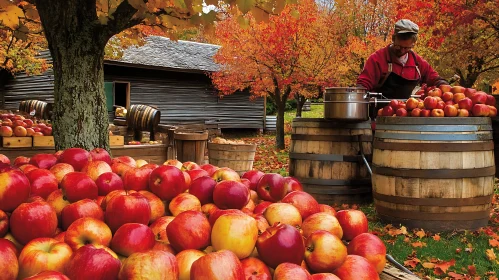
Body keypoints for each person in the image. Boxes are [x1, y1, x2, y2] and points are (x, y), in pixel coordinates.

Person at [356, 19, 449, 100]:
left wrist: (445, 87)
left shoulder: (417, 63)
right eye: (398, 46)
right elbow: (363, 85)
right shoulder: (377, 59)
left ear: (413, 44)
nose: (402, 50)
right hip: (378, 114)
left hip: (405, 114)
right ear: (393, 39)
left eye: (407, 48)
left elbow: (434, 78)